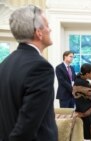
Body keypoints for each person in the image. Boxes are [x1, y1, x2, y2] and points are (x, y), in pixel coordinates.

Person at [0, 5, 58, 141]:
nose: (50, 29)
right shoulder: (41, 67)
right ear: (39, 32)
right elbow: (27, 124)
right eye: (47, 25)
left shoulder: (5, 64)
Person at [72, 63, 91, 141]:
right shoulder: (81, 83)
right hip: (88, 112)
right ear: (87, 74)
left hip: (86, 111)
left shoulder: (81, 80)